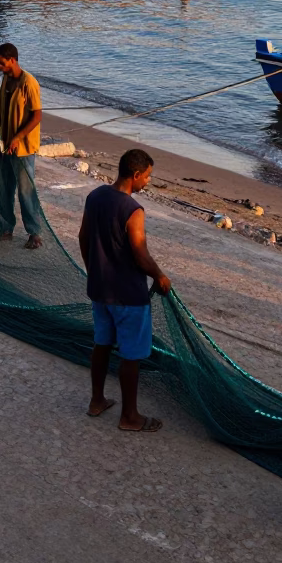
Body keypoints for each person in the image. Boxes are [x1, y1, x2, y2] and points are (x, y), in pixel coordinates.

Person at [78, 149, 172, 432]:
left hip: (99, 290)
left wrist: (93, 269)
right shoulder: (133, 210)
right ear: (135, 175)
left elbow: (83, 237)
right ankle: (129, 416)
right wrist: (159, 275)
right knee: (131, 355)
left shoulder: (95, 196)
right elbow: (140, 255)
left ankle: (97, 401)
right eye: (147, 177)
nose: (147, 182)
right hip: (128, 295)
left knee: (102, 344)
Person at [0, 42, 43, 248]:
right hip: (5, 144)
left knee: (25, 190)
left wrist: (18, 137)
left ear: (12, 60)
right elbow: (0, 111)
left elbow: (37, 116)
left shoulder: (29, 83)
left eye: (1, 63)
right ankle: (5, 228)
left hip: (24, 148)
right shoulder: (6, 79)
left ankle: (34, 233)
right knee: (2, 187)